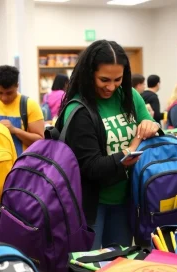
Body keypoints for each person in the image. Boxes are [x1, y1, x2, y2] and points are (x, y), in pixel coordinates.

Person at [57, 40, 159, 249]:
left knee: (119, 265)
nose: (111, 87)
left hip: (127, 198)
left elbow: (151, 127)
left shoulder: (130, 96)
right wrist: (134, 144)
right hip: (93, 204)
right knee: (91, 270)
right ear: (89, 74)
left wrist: (151, 124)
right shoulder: (78, 109)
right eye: (104, 79)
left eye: (118, 79)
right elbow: (92, 167)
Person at [0, 65, 44, 156]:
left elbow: (40, 141)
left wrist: (15, 130)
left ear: (17, 86)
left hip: (22, 166)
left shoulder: (29, 105)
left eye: (9, 93)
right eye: (0, 92)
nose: (4, 98)